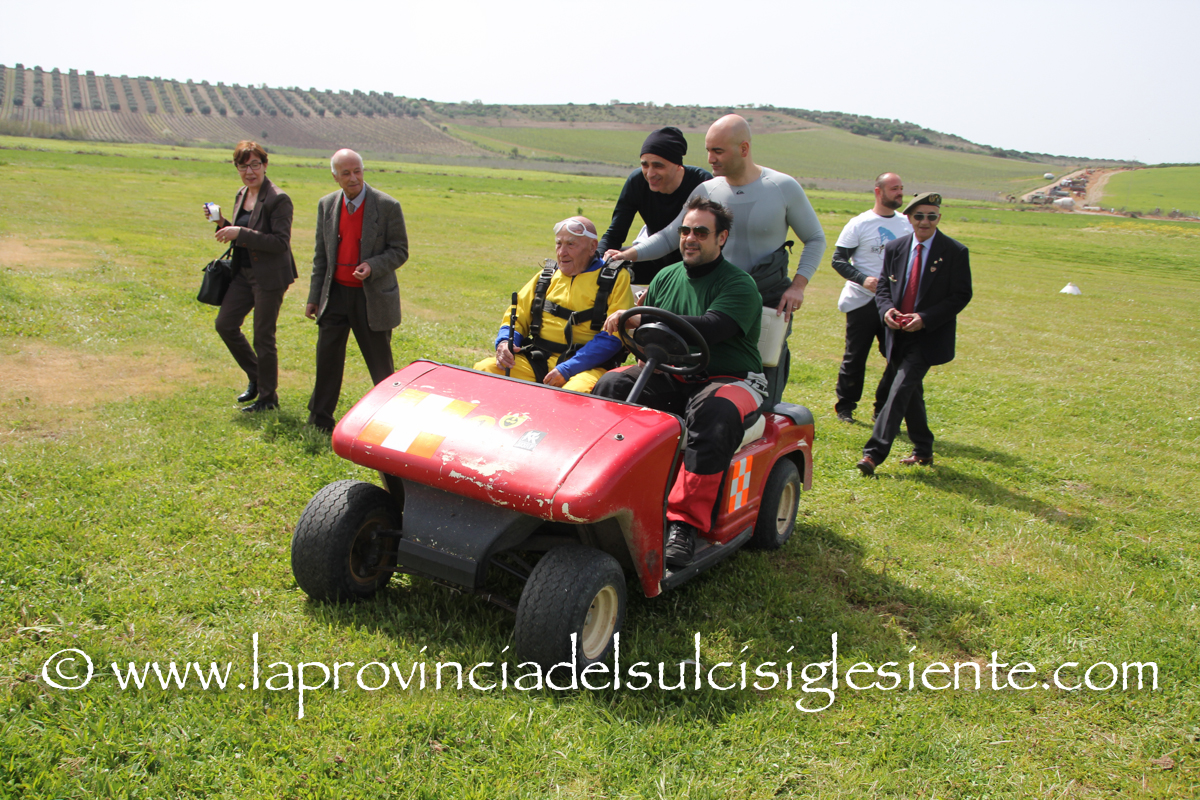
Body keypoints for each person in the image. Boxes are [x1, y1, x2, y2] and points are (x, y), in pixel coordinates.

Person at [607, 114, 826, 403]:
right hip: (714, 293)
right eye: (708, 150)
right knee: (703, 364)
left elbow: (815, 238)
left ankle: (756, 424)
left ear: (744, 148)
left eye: (718, 151)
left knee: (762, 375)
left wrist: (798, 285)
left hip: (768, 294)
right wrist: (628, 255)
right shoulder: (708, 189)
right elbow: (672, 235)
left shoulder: (782, 187)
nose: (710, 158)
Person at [595, 198, 764, 568]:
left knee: (714, 412)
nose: (690, 238)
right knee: (611, 386)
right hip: (672, 372)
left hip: (729, 378)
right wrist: (638, 335)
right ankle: (606, 493)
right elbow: (650, 331)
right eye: (686, 231)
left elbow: (711, 328)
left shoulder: (739, 284)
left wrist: (640, 318)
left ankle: (684, 524)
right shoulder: (666, 276)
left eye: (701, 232)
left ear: (721, 238)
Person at [857, 192, 972, 476]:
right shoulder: (895, 248)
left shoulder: (955, 251)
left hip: (928, 335)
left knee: (899, 389)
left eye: (931, 216)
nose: (925, 222)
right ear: (909, 218)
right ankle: (923, 450)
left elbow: (961, 295)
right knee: (911, 392)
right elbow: (884, 287)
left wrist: (925, 318)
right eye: (919, 216)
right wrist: (886, 311)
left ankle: (873, 454)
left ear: (939, 218)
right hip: (897, 334)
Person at [305, 149, 408, 432]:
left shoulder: (387, 206)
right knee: (327, 359)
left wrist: (372, 266)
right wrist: (314, 297)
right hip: (335, 295)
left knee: (380, 366)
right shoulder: (327, 205)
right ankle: (319, 419)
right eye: (346, 173)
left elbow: (400, 250)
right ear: (335, 177)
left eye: (357, 171)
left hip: (371, 298)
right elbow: (321, 257)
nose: (353, 178)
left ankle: (390, 421)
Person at [474, 216, 635, 393]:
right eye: (559, 244)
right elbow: (517, 316)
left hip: (586, 367)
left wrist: (568, 368)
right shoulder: (546, 276)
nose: (562, 252)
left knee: (574, 393)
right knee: (484, 370)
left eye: (571, 245)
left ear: (592, 247)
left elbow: (613, 337)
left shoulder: (615, 279)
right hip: (538, 359)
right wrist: (505, 342)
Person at [208, 140, 297, 412]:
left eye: (255, 165)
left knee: (263, 337)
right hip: (243, 273)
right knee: (225, 324)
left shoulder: (278, 199)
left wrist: (239, 232)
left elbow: (280, 242)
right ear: (236, 168)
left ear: (265, 165)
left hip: (270, 277)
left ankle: (268, 399)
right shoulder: (241, 193)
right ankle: (258, 377)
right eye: (243, 166)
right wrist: (222, 223)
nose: (250, 172)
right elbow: (241, 232)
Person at [831, 172, 912, 424]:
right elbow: (838, 260)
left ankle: (883, 408)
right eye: (894, 188)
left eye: (901, 188)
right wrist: (863, 279)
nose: (900, 193)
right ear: (878, 191)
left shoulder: (907, 223)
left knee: (896, 357)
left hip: (895, 303)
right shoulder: (860, 223)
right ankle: (845, 407)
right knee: (855, 356)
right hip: (862, 301)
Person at [598, 127, 711, 285]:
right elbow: (615, 234)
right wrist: (595, 261)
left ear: (678, 166)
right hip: (652, 256)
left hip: (692, 261)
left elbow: (673, 237)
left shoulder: (702, 183)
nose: (650, 173)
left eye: (658, 166)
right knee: (610, 262)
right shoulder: (637, 181)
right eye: (645, 165)